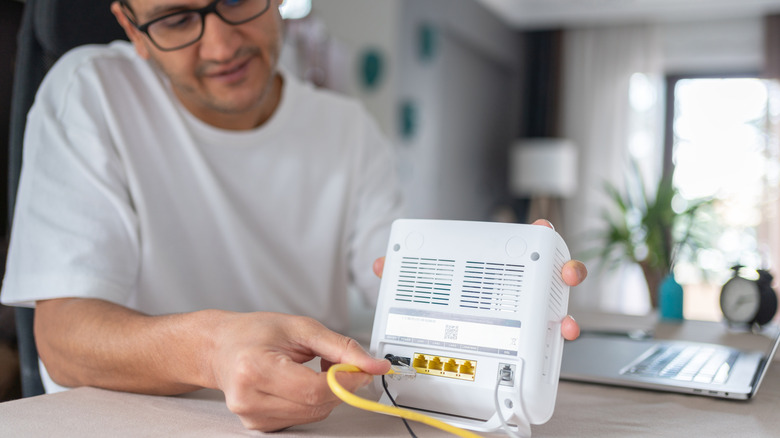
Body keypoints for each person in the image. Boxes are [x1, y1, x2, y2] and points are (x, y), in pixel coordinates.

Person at [0, 0, 587, 432]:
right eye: (177, 20)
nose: (222, 46)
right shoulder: (91, 90)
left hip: (310, 422)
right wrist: (214, 351)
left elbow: (392, 275)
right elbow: (62, 338)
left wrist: (492, 283)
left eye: (235, 1)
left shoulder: (346, 130)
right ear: (133, 27)